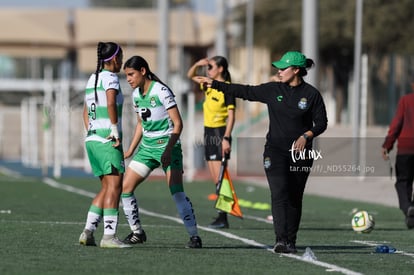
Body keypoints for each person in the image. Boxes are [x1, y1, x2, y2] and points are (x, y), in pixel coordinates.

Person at [192, 51, 328, 253]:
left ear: (297, 70)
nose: (279, 71)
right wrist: (216, 84)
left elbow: (322, 123)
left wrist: (306, 135)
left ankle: (291, 240)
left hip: (301, 154)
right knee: (279, 191)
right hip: (275, 151)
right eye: (278, 68)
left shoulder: (311, 94)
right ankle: (281, 240)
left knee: (294, 196)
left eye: (283, 68)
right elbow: (245, 91)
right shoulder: (273, 89)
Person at [120, 55, 202, 248]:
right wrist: (131, 149)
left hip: (168, 147)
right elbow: (141, 124)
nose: (129, 79)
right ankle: (137, 233)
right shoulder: (135, 95)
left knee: (176, 193)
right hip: (147, 149)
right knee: (126, 189)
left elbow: (178, 124)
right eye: (126, 76)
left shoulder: (161, 91)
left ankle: (194, 236)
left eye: (131, 74)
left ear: (142, 71)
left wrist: (168, 149)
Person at [79, 41, 131, 248]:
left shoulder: (92, 78)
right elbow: (110, 102)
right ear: (114, 59)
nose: (122, 62)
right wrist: (113, 129)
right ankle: (109, 237)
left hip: (92, 138)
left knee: (106, 188)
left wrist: (93, 130)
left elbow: (85, 111)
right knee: (115, 188)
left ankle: (88, 231)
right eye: (121, 57)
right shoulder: (110, 78)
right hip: (107, 139)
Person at [187, 56, 236, 229]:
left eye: (211, 67)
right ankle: (222, 214)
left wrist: (226, 138)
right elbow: (190, 75)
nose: (208, 70)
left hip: (219, 133)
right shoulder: (208, 83)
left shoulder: (227, 88)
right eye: (207, 67)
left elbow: (231, 116)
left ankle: (223, 216)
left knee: (220, 177)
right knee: (215, 177)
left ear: (221, 69)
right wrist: (197, 64)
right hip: (208, 132)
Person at [381, 83, 414, 229]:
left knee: (402, 182)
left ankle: (407, 207)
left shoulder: (405, 100)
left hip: (406, 149)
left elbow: (396, 124)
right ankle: (411, 211)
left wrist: (387, 145)